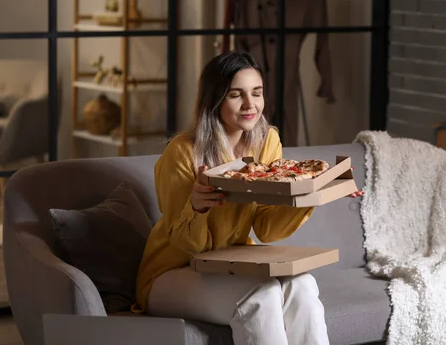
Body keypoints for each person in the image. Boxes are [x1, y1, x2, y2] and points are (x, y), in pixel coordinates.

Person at [133, 51, 364, 345]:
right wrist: (197, 207)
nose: (250, 105)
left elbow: (266, 228)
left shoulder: (267, 141)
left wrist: (312, 192)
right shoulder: (182, 152)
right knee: (261, 295)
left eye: (257, 93)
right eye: (235, 95)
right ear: (215, 99)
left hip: (231, 263)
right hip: (171, 272)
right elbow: (187, 245)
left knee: (302, 285)